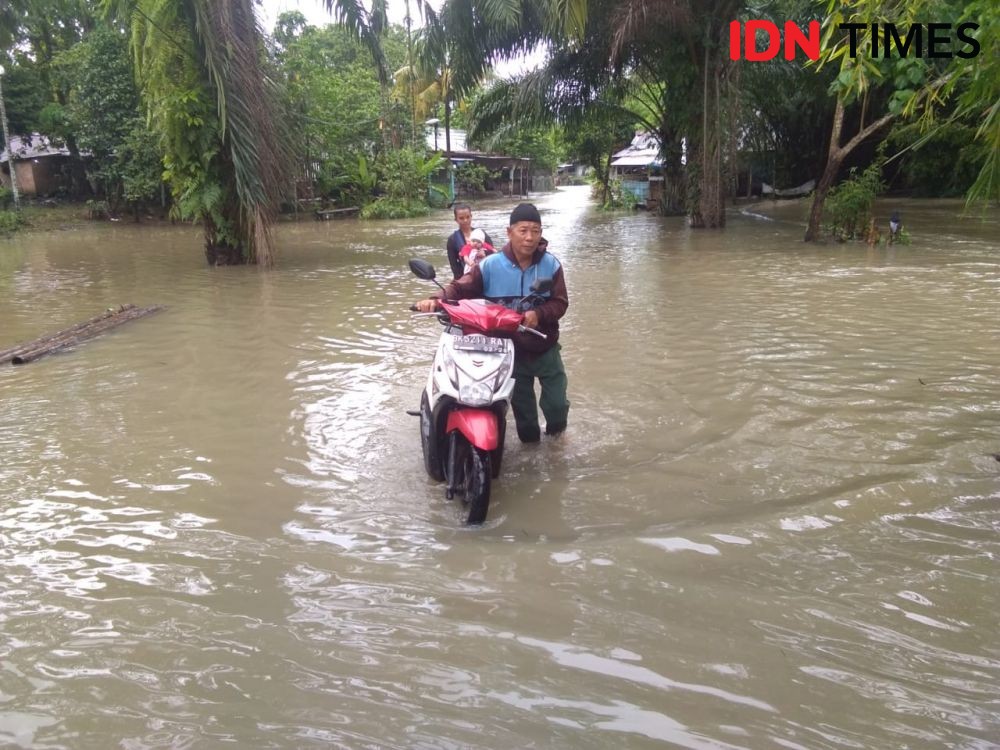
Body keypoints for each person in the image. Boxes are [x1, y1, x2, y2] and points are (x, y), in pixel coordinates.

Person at [416, 203, 570, 442]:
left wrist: (539, 314)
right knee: (525, 417)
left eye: (535, 231)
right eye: (523, 230)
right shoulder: (489, 265)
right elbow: (460, 286)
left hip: (544, 346)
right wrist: (436, 299)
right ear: (509, 232)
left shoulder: (551, 265)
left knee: (557, 406)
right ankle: (533, 457)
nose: (530, 237)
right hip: (508, 351)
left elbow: (560, 303)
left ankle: (557, 445)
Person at [446, 203, 494, 280]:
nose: (465, 220)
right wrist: (461, 282)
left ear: (471, 217)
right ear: (456, 220)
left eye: (468, 217)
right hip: (466, 276)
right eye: (461, 218)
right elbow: (454, 265)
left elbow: (493, 253)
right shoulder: (453, 239)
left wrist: (485, 253)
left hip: (485, 274)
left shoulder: (481, 234)